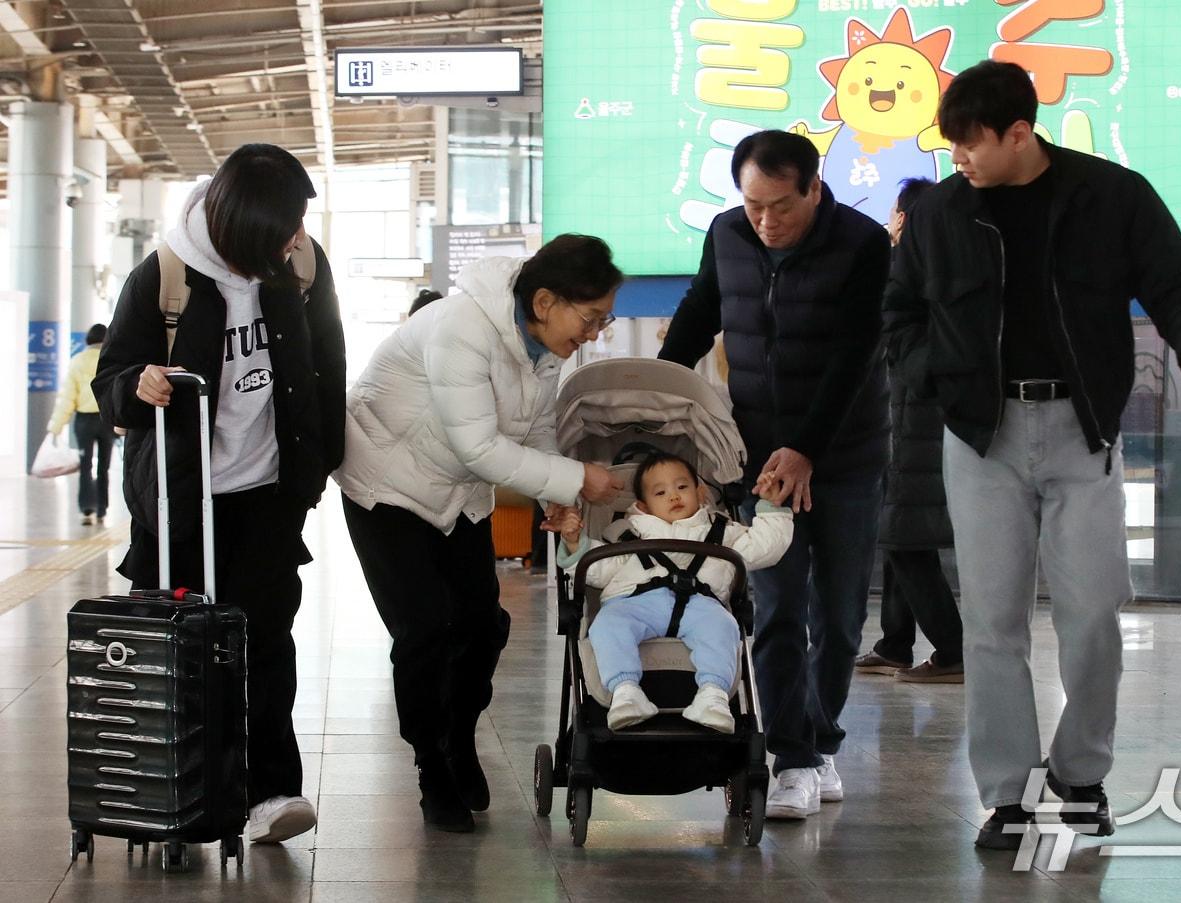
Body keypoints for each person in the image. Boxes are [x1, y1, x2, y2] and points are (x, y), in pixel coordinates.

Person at [883, 61, 1181, 850]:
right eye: (952, 147)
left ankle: (1081, 775)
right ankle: (1006, 793)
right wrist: (932, 378)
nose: (960, 160)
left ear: (1019, 132)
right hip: (982, 435)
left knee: (1093, 615)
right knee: (993, 621)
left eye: (973, 145)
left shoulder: (1111, 196)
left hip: (1082, 430)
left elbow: (1177, 278)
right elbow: (898, 309)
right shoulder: (940, 212)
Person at [93, 143, 345, 845]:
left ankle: (271, 793)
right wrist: (136, 385)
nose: (297, 238)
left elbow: (328, 363)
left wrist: (316, 468)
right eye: (286, 228)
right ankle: (164, 791)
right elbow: (110, 379)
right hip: (177, 502)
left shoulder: (301, 267)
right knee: (174, 648)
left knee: (265, 640)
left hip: (266, 494)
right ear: (241, 229)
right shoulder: (163, 277)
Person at [335, 233, 626, 833]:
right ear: (545, 301)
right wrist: (578, 480)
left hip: (458, 493)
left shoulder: (545, 345)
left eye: (605, 319)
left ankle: (458, 738)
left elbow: (538, 429)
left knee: (482, 624)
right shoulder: (460, 327)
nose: (595, 332)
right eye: (592, 317)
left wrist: (556, 496)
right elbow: (482, 446)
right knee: (424, 631)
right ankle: (429, 768)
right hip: (386, 487)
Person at [659, 129, 891, 820]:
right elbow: (701, 313)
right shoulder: (729, 235)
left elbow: (855, 353)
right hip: (757, 459)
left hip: (844, 456)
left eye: (779, 206)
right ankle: (792, 756)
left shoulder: (864, 243)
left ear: (815, 188)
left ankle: (820, 741)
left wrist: (808, 449)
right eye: (753, 205)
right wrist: (662, 390)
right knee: (779, 607)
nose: (765, 222)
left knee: (842, 615)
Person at [553, 453, 793, 733]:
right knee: (608, 623)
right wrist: (573, 543)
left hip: (701, 606)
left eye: (682, 487)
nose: (673, 496)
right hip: (635, 603)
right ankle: (626, 690)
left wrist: (772, 507)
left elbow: (765, 546)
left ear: (700, 492)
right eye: (660, 492)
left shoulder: (723, 533)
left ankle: (712, 695)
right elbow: (597, 567)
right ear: (642, 505)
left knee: (724, 625)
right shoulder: (626, 534)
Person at [854, 177, 965, 684]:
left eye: (894, 212)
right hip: (913, 420)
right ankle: (895, 644)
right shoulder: (937, 265)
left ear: (905, 218)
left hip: (914, 425)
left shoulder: (906, 268)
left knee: (904, 541)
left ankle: (954, 651)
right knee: (904, 538)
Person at [49, 323, 117, 525]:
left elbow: (67, 397)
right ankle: (102, 510)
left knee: (85, 465)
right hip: (107, 419)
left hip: (84, 421)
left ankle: (87, 508)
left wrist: (56, 426)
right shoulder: (110, 360)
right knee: (103, 467)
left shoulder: (77, 361)